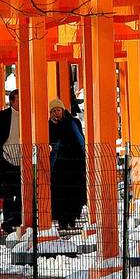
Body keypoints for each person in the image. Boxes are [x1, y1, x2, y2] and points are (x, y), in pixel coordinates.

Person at [47, 97, 87, 229]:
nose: (56, 113)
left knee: (74, 192)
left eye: (58, 110)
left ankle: (72, 218)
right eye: (53, 111)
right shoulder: (49, 125)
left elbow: (80, 141)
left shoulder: (73, 122)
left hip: (74, 164)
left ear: (63, 110)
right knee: (60, 194)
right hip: (59, 166)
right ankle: (63, 220)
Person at [0, 90, 22, 232]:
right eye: (19, 99)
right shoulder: (2, 117)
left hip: (24, 160)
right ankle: (8, 221)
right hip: (7, 159)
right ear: (12, 101)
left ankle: (19, 219)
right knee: (9, 193)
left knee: (22, 192)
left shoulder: (29, 115)